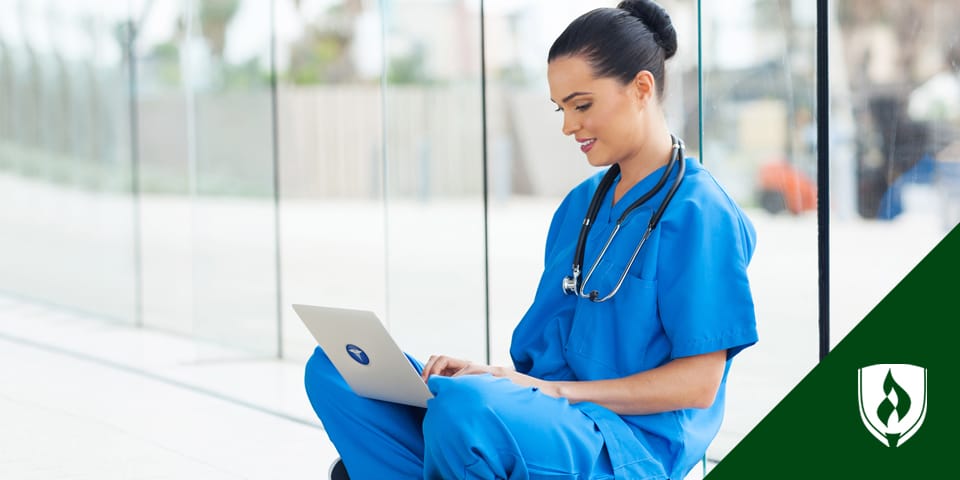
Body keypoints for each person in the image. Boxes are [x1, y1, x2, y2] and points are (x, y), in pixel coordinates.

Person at [304, 1, 758, 478]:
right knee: (336, 370)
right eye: (561, 109)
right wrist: (497, 379)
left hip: (624, 445)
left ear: (641, 88)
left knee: (463, 411)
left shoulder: (701, 212)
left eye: (582, 105)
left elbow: (698, 385)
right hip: (545, 422)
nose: (568, 126)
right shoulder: (581, 207)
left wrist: (545, 393)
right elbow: (542, 366)